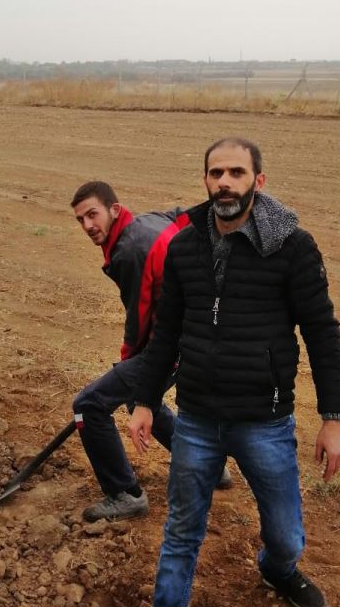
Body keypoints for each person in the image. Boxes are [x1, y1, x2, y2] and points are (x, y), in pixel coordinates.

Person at [102, 138, 340, 607]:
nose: (225, 182)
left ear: (258, 181)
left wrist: (333, 418)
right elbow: (166, 333)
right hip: (196, 420)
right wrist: (145, 401)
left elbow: (322, 332)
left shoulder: (292, 247)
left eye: (237, 172)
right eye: (216, 173)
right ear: (206, 181)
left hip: (265, 422)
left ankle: (277, 570)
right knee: (181, 533)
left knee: (285, 537)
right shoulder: (185, 246)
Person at [71, 181, 231, 523]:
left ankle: (125, 494)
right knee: (139, 399)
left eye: (93, 214)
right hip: (203, 330)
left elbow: (139, 317)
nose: (87, 225)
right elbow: (183, 217)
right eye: (81, 219)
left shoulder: (129, 251)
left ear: (114, 210)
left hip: (181, 340)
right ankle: (209, 465)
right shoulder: (148, 222)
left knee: (89, 405)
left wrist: (129, 358)